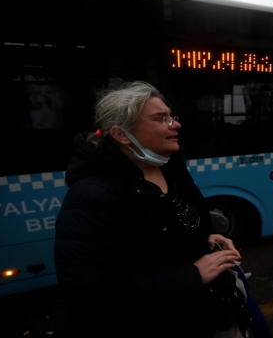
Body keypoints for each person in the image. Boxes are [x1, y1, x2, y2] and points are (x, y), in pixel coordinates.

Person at [54, 81, 243, 337]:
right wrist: (193, 275)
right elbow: (93, 293)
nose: (176, 124)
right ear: (122, 134)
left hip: (201, 317)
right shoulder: (92, 196)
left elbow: (193, 212)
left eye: (171, 116)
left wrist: (211, 230)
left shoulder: (169, 165)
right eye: (160, 119)